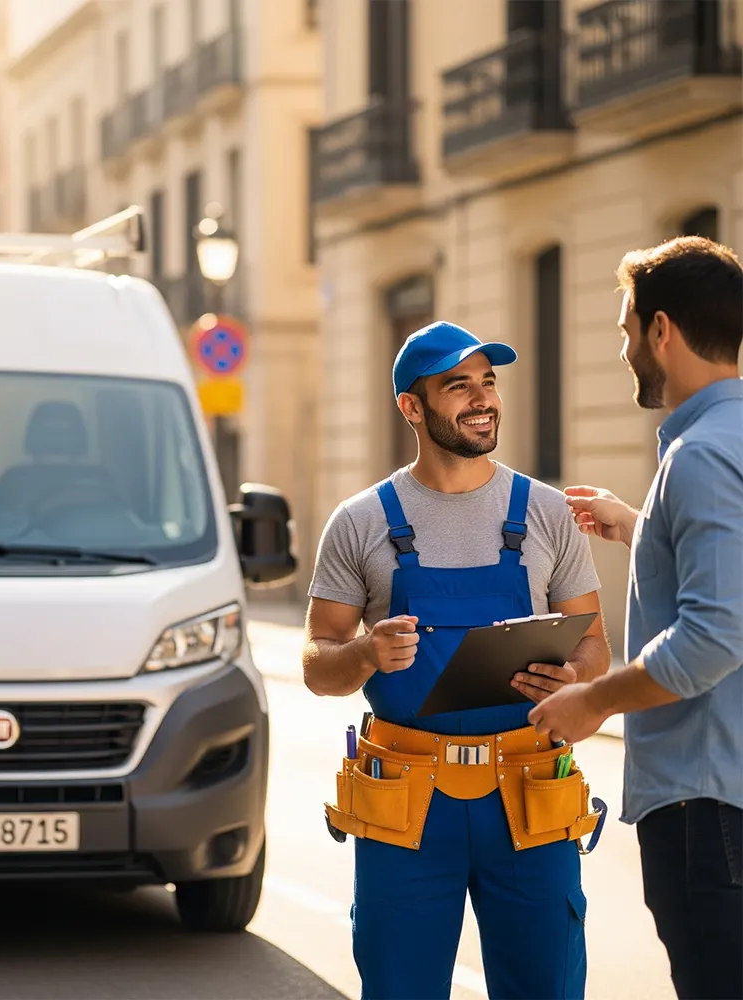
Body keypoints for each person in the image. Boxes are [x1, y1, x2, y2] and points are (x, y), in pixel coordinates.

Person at [303, 321, 611, 1000]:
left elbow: (594, 646)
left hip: (530, 787)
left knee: (545, 986)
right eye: (458, 385)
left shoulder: (547, 512)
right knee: (399, 986)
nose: (482, 399)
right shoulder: (360, 521)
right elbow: (317, 664)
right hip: (404, 798)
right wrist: (363, 652)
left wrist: (574, 678)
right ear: (411, 407)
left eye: (488, 382)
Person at [529, 236, 743, 1000]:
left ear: (661, 330)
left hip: (707, 807)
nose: (624, 351)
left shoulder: (701, 457)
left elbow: (713, 637)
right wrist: (642, 525)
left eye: (627, 330)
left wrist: (593, 700)